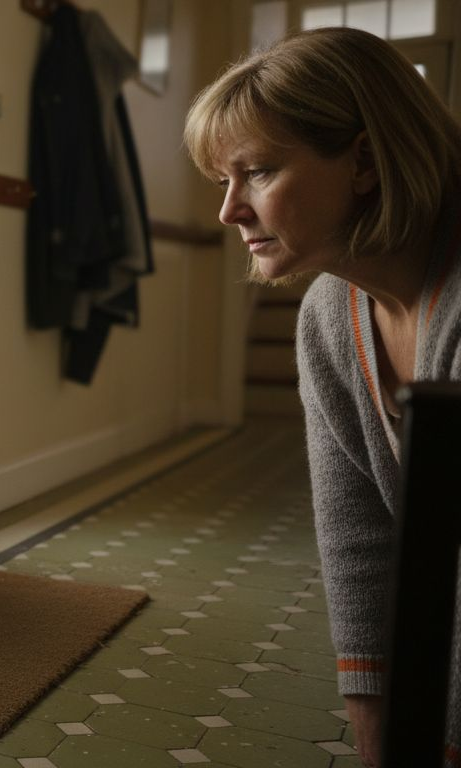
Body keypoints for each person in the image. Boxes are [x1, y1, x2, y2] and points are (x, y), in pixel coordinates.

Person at [183, 26, 461, 768]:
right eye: (223, 183)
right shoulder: (329, 318)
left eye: (259, 173)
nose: (229, 212)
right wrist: (380, 744)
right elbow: (358, 544)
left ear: (366, 160)